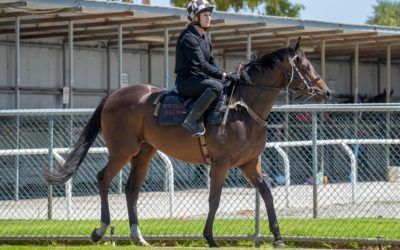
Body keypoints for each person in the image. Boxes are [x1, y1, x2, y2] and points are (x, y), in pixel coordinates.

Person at [175, 0, 241, 137]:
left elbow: (211, 64)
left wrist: (228, 75)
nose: (209, 18)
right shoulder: (188, 38)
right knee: (216, 87)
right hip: (186, 82)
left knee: (225, 84)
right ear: (195, 17)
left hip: (200, 79)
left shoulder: (205, 38)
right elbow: (202, 66)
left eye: (209, 14)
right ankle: (192, 120)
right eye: (205, 15)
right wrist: (225, 75)